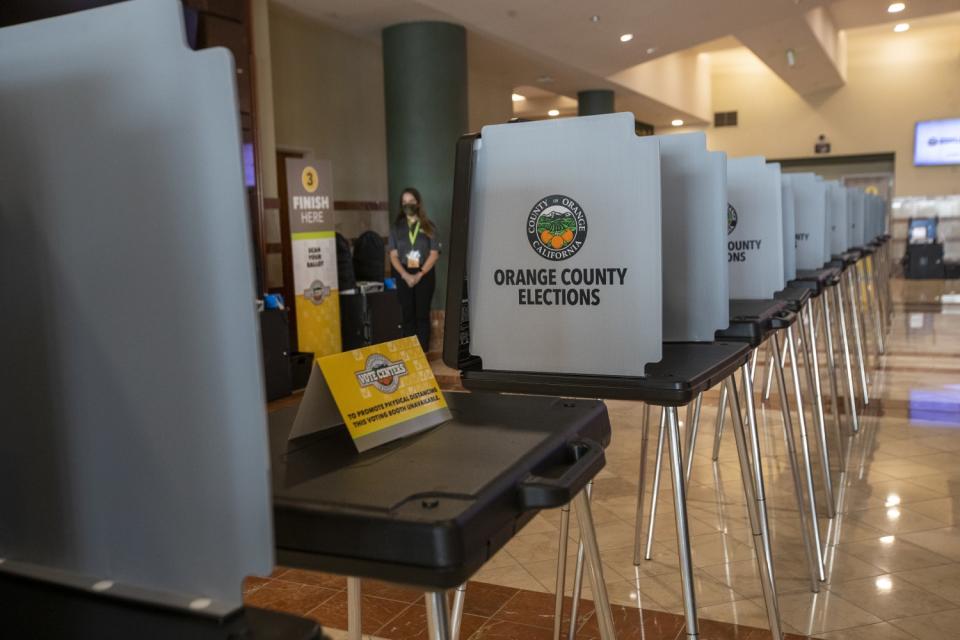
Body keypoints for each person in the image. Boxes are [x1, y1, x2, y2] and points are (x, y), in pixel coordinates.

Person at [388, 187, 440, 351]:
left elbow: (434, 254)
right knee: (407, 315)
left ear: (418, 203)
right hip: (403, 274)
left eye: (411, 201)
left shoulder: (429, 226)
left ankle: (423, 353)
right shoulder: (397, 228)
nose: (408, 205)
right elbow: (393, 255)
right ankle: (410, 354)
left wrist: (419, 274)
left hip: (424, 273)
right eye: (404, 202)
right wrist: (405, 275)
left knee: (422, 315)